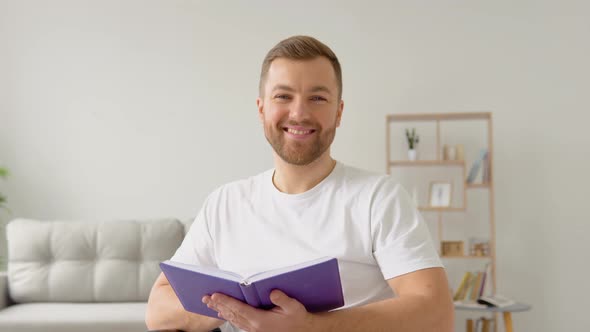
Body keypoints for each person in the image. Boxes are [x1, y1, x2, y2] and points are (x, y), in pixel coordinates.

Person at [146, 35, 454, 332]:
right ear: (261, 108)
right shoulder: (224, 203)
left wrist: (311, 327)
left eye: (317, 98)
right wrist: (232, 309)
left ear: (338, 113)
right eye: (283, 96)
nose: (299, 113)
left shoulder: (378, 198)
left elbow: (436, 313)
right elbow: (158, 310)